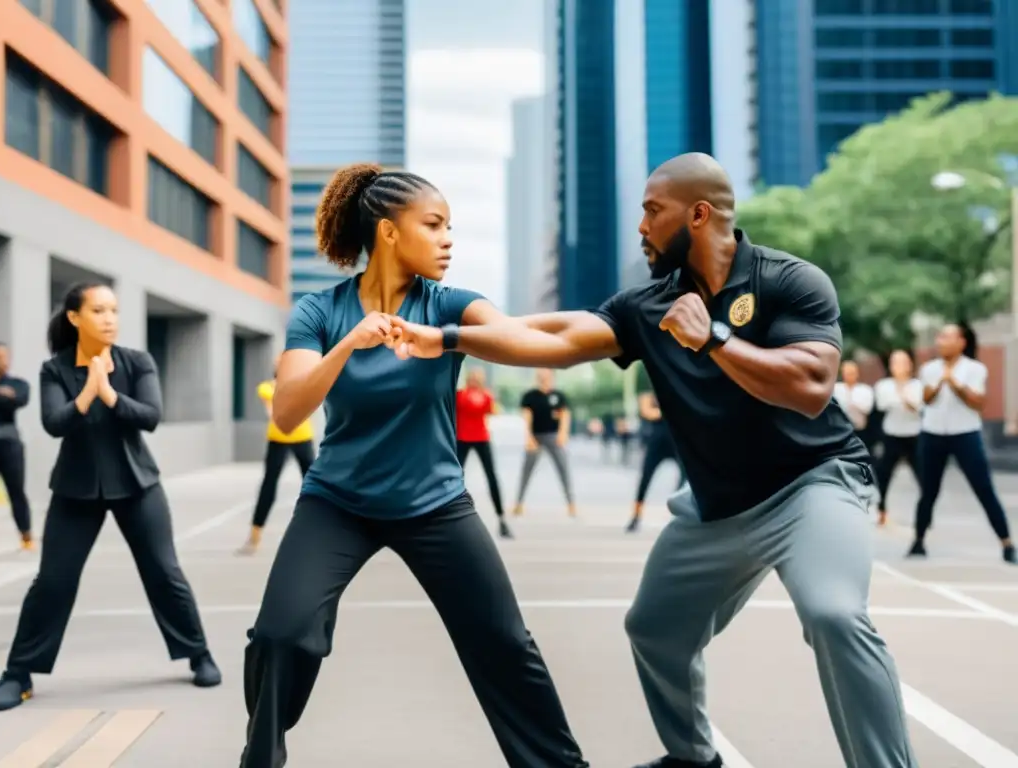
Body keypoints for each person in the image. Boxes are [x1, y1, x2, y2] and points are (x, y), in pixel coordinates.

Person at [389, 152, 918, 768]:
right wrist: (448, 336)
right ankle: (693, 759)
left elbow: (810, 386)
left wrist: (714, 338)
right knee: (655, 631)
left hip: (811, 486)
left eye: (651, 211)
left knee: (834, 613)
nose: (641, 227)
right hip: (718, 509)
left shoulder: (787, 280)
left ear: (697, 215)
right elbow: (557, 336)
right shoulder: (647, 306)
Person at [239, 164, 587, 768]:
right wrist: (349, 345)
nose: (448, 238)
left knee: (504, 644)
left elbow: (528, 344)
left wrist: (445, 338)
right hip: (338, 504)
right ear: (388, 232)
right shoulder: (319, 313)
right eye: (434, 224)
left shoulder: (451, 303)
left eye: (450, 225)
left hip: (434, 504)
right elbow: (292, 408)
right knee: (280, 635)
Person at [0, 282, 221, 713]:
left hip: (138, 485)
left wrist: (111, 393)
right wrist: (87, 391)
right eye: (98, 311)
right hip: (76, 490)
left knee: (164, 571)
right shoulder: (54, 369)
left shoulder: (137, 362)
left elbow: (151, 417)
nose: (110, 319)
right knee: (52, 582)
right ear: (75, 318)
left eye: (113, 310)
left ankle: (198, 654)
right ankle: (18, 674)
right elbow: (53, 423)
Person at [910, 322, 1016, 563]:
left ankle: (1007, 543)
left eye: (947, 337)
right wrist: (940, 381)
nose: (941, 342)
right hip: (932, 433)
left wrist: (955, 383)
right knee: (928, 490)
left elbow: (977, 402)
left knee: (984, 489)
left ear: (961, 342)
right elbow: (926, 398)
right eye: (940, 337)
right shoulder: (929, 369)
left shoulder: (975, 369)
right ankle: (918, 540)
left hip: (965, 434)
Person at [239, 358, 316, 555]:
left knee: (314, 484)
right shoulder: (266, 388)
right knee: (269, 484)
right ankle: (254, 536)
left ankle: (321, 533)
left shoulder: (305, 384)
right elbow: (273, 413)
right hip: (278, 439)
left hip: (302, 438)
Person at [456, 367, 511, 538]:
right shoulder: (460, 394)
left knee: (491, 477)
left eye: (478, 377)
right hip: (463, 438)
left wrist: (490, 396)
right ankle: (453, 519)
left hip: (481, 438)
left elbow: (493, 411)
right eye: (474, 376)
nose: (476, 380)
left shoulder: (485, 395)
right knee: (455, 477)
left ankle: (501, 519)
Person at [514, 369, 576, 517]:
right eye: (541, 376)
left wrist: (563, 433)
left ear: (552, 377)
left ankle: (571, 504)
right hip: (535, 436)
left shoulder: (558, 396)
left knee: (563, 469)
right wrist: (528, 437)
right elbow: (526, 416)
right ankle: (519, 503)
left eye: (547, 376)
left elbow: (565, 415)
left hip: (553, 436)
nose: (544, 378)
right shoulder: (530, 396)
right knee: (526, 470)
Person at [873, 349, 922, 526]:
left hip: (914, 435)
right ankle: (881, 510)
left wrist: (902, 398)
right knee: (883, 475)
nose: (898, 366)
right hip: (892, 435)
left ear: (910, 365)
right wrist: (904, 399)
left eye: (902, 362)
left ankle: (924, 513)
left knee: (923, 476)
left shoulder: (918, 386)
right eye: (894, 362)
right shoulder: (883, 385)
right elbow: (883, 404)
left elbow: (918, 407)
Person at [627, 390, 686, 534]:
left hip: (676, 443)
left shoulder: (677, 391)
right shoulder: (648, 396)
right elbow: (647, 412)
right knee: (644, 480)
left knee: (684, 480)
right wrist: (673, 410)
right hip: (655, 444)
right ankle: (636, 516)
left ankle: (677, 517)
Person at [0, 341, 34, 551]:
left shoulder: (18, 383)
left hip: (9, 446)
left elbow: (19, 399)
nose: (3, 362)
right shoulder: (7, 388)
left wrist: (3, 395)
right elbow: (6, 399)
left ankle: (26, 535)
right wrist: (2, 394)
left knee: (16, 491)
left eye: (5, 357)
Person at [833, 360, 875, 453]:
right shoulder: (836, 389)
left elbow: (867, 408)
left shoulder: (865, 389)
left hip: (860, 430)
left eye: (852, 373)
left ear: (857, 373)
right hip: (840, 430)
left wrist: (852, 403)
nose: (849, 375)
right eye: (846, 373)